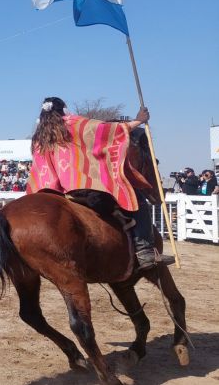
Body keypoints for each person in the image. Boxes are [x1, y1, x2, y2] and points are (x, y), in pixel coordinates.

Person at [26, 96, 158, 270]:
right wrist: (138, 121)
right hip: (82, 187)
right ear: (63, 109)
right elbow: (107, 131)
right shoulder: (72, 123)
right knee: (138, 199)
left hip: (52, 191)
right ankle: (144, 250)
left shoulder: (38, 136)